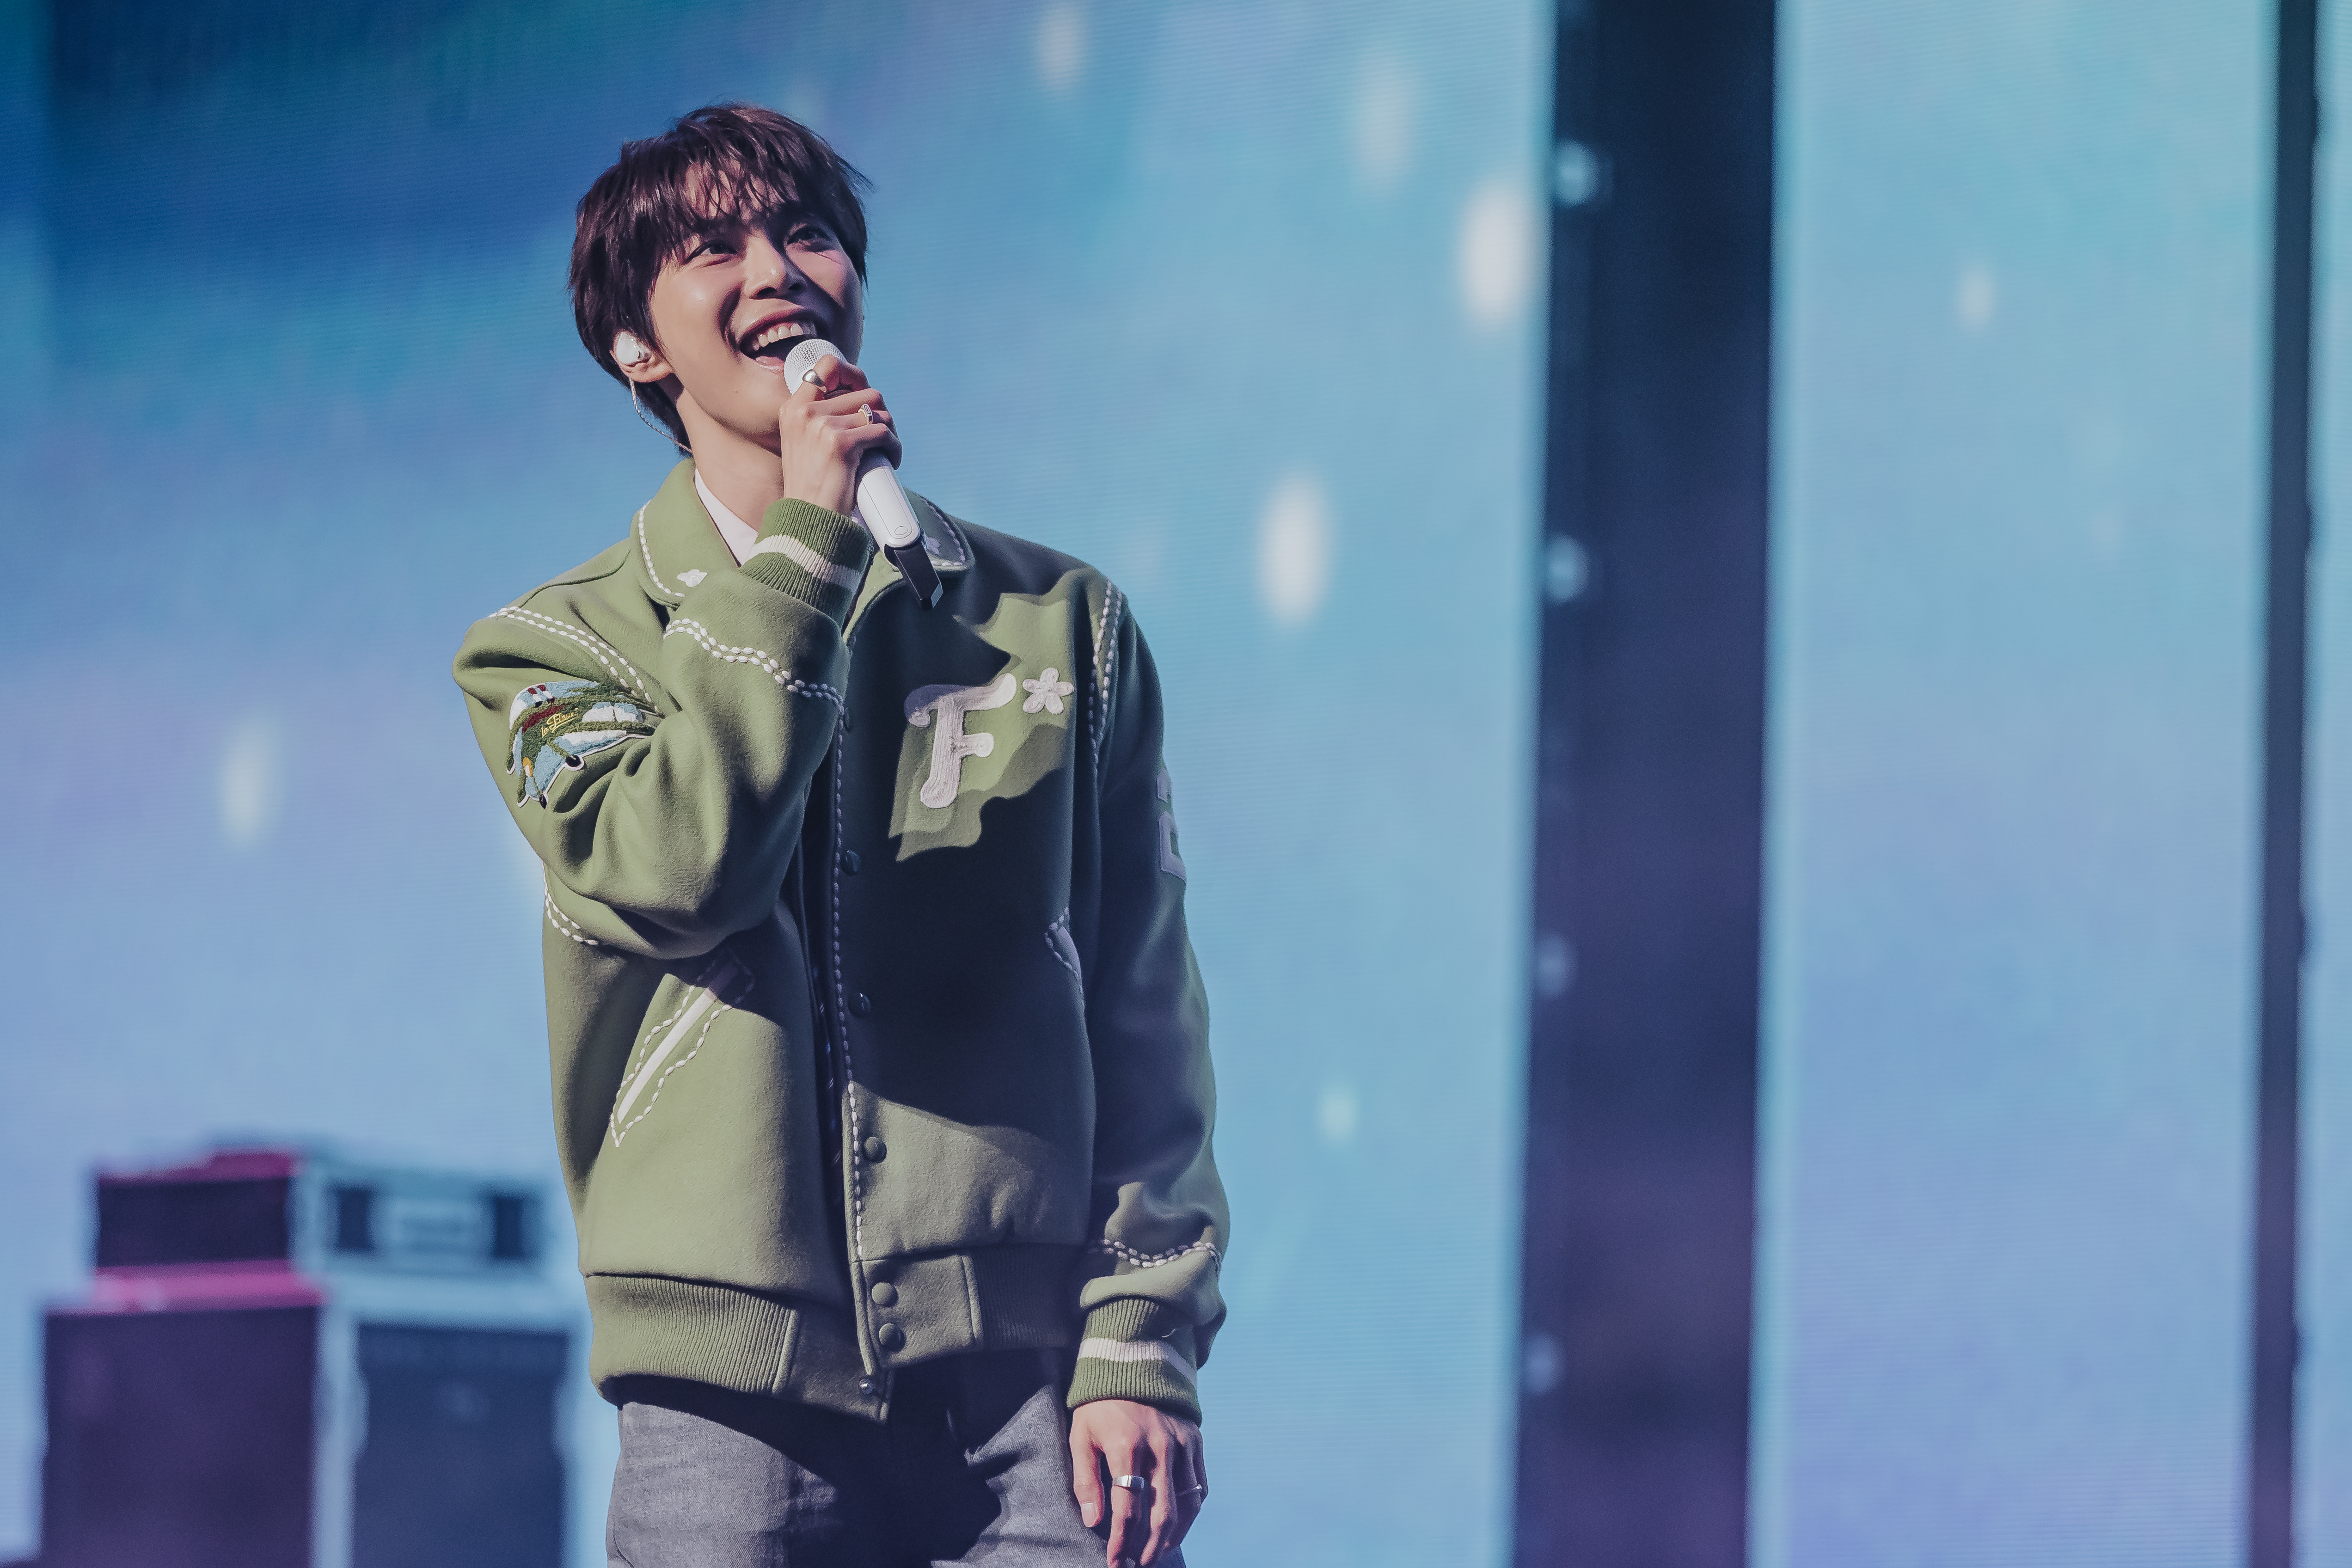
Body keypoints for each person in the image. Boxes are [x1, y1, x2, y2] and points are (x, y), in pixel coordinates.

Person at [451, 104, 1227, 1568]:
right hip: (726, 1409)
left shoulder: (1056, 624)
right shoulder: (551, 653)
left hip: (1035, 1390)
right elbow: (685, 874)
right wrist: (808, 552)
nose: (779, 272)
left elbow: (1144, 1006)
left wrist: (1140, 1332)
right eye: (713, 249)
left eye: (808, 235)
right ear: (635, 346)